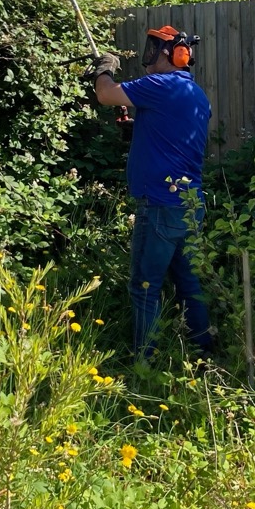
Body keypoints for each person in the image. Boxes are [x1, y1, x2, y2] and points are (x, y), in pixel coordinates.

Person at [93, 26, 214, 359]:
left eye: (154, 49)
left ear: (172, 55)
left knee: (145, 288)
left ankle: (143, 363)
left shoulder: (159, 85)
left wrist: (105, 68)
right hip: (190, 206)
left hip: (160, 205)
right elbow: (173, 133)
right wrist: (137, 127)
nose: (148, 57)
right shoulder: (197, 96)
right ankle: (203, 352)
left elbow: (106, 94)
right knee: (188, 284)